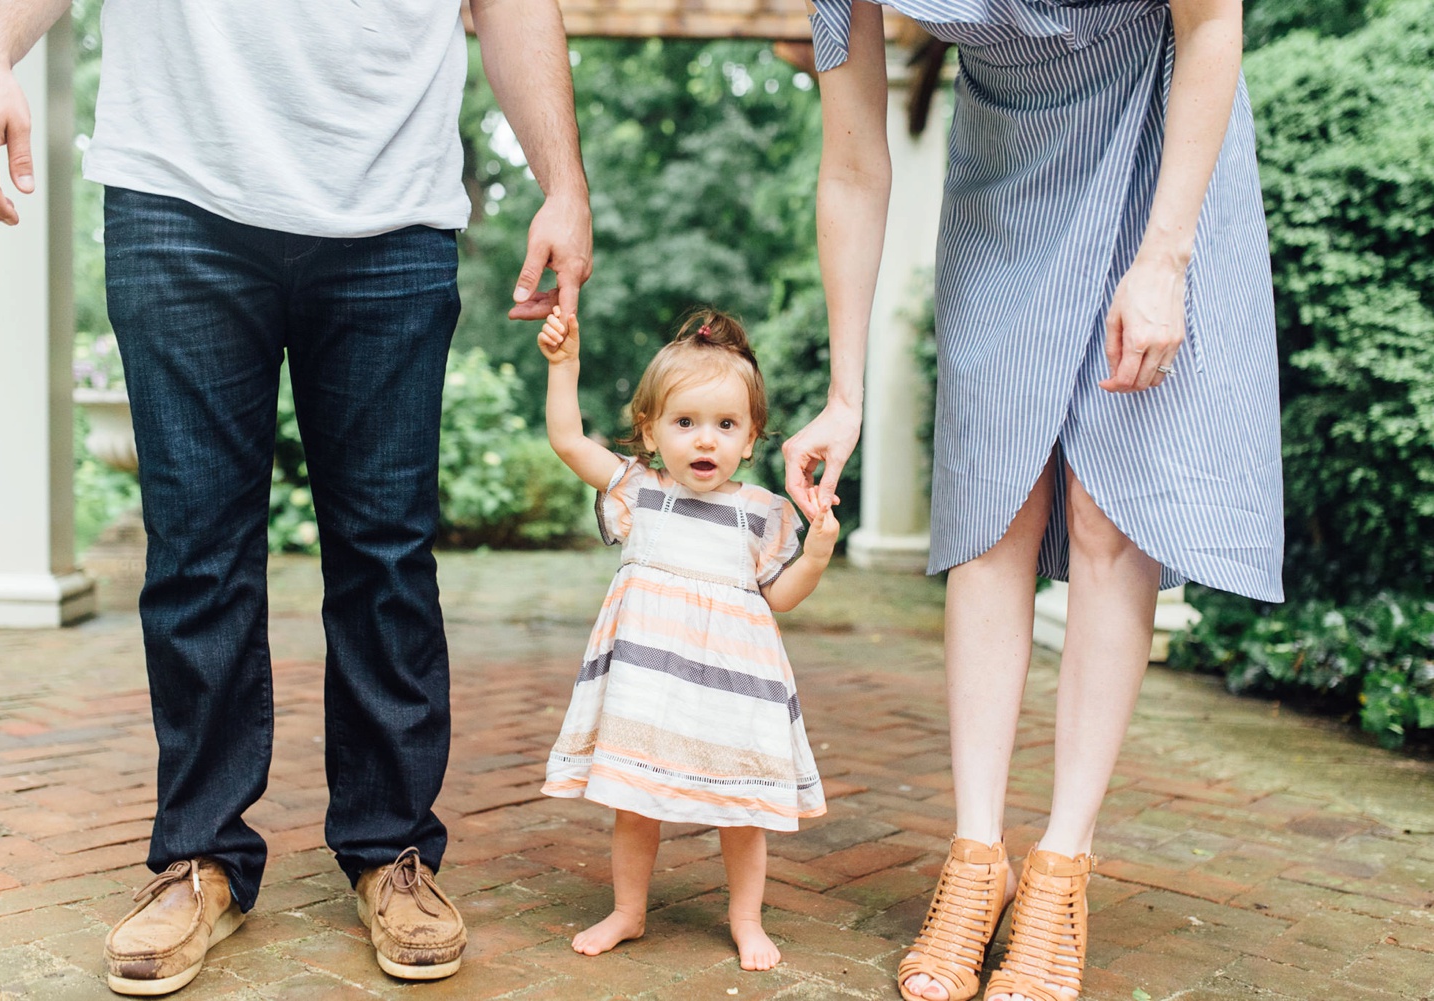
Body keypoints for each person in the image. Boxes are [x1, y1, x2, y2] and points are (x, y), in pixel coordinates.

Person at [0, 0, 591, 993]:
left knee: (385, 551)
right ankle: (196, 856)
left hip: (393, 209)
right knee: (195, 548)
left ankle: (391, 850)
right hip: (177, 189)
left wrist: (564, 183)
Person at [783, 2, 1283, 1000]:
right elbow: (851, 164)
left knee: (1105, 506)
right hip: (1004, 167)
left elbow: (1215, 19)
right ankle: (976, 857)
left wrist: (1164, 261)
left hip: (1164, 144)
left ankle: (1061, 864)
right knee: (992, 503)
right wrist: (845, 396)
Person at [535, 306, 837, 971]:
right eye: (685, 423)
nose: (706, 441)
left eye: (726, 425)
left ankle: (746, 917)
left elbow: (779, 596)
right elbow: (566, 440)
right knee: (635, 802)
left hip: (731, 690)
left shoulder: (760, 512)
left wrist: (814, 555)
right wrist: (565, 367)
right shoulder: (639, 492)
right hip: (648, 688)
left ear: (752, 436)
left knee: (741, 811)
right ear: (649, 431)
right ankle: (628, 909)